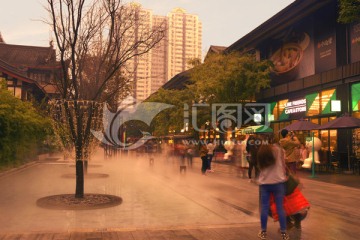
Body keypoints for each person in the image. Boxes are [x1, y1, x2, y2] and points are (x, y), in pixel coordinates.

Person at [257, 135, 289, 240]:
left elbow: (259, 167)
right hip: (278, 182)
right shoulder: (279, 150)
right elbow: (284, 164)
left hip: (264, 183)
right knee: (280, 207)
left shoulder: (261, 151)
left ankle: (263, 232)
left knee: (264, 208)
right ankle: (284, 232)